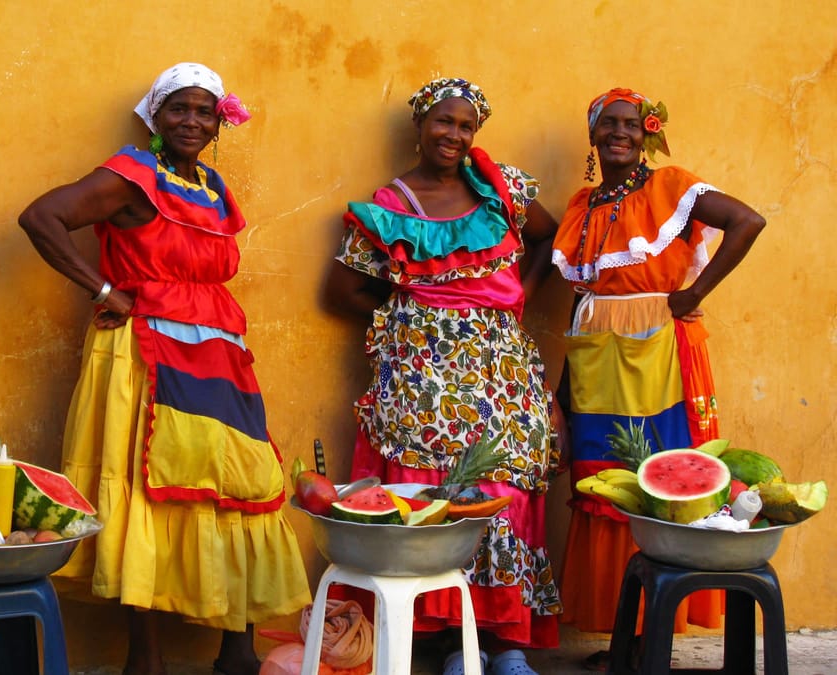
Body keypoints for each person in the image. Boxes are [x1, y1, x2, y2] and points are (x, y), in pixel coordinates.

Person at [17, 62, 310, 675]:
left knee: (240, 483)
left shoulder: (212, 186)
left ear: (219, 122)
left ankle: (237, 652)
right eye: (179, 108)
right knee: (147, 489)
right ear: (156, 115)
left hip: (219, 355)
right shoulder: (133, 175)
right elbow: (41, 217)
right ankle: (145, 661)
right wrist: (104, 290)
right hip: (145, 353)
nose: (192, 122)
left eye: (205, 111)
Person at [323, 77, 565, 675]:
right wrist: (414, 315)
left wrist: (518, 296)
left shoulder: (504, 190)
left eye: (465, 126)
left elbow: (548, 237)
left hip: (502, 370)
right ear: (420, 125)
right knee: (431, 496)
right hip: (421, 379)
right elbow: (342, 290)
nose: (453, 135)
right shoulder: (392, 204)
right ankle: (450, 642)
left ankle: (502, 645)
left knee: (503, 491)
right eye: (443, 121)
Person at [553, 87, 766, 670]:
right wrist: (561, 392)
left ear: (648, 133)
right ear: (593, 135)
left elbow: (747, 222)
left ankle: (654, 638)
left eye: (632, 124)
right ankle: (624, 630)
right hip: (596, 353)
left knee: (659, 478)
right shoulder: (583, 204)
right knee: (607, 481)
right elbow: (582, 296)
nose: (620, 133)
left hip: (658, 348)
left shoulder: (671, 187)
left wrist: (693, 294)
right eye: (608, 124)